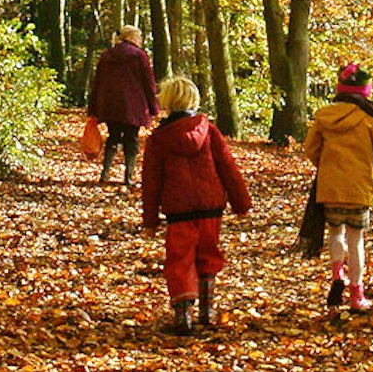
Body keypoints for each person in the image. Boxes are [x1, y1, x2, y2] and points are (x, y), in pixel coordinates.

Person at [138, 76, 249, 335]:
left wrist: (150, 220)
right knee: (208, 255)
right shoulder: (209, 131)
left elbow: (151, 180)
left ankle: (183, 314)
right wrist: (240, 203)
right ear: (194, 100)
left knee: (180, 259)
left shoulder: (159, 139)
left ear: (166, 102)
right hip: (211, 207)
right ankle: (207, 311)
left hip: (179, 210)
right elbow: (228, 168)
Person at [303, 61, 373, 315]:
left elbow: (311, 149)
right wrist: (366, 167)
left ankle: (336, 278)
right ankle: (356, 294)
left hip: (331, 189)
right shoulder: (370, 121)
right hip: (359, 189)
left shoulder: (324, 116)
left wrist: (327, 165)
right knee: (356, 240)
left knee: (336, 234)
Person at [84, 26, 158, 185]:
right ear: (133, 37)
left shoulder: (106, 55)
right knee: (131, 140)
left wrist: (94, 107)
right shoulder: (140, 56)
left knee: (113, 137)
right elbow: (149, 84)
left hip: (110, 105)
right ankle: (128, 177)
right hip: (133, 106)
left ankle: (105, 173)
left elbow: (97, 82)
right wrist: (153, 107)